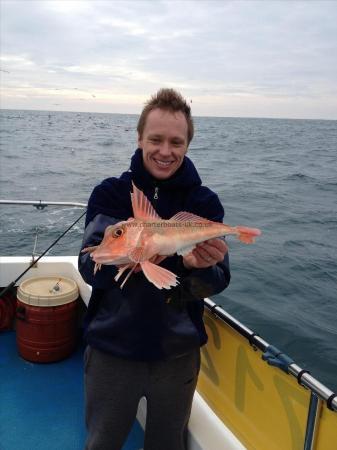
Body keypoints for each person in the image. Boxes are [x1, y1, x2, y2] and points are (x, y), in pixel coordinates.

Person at [78, 88, 230, 450]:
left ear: (187, 145)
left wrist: (198, 270)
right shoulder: (111, 194)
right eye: (156, 139)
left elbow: (218, 280)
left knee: (168, 444)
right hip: (112, 351)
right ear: (139, 138)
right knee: (102, 442)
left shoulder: (203, 203)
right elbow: (88, 265)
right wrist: (133, 253)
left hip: (176, 355)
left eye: (176, 141)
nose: (165, 151)